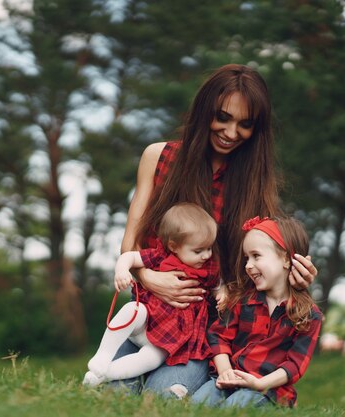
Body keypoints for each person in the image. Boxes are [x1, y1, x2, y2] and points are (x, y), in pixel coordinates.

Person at [114, 64, 319, 398]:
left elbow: (260, 269)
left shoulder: (256, 188)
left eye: (245, 124)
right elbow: (130, 242)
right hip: (147, 317)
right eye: (222, 117)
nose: (231, 131)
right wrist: (148, 277)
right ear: (204, 111)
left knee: (160, 398)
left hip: (201, 331)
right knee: (109, 397)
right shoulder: (157, 157)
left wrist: (295, 276)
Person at [191, 216, 323, 409]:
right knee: (197, 405)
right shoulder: (241, 300)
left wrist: (260, 383)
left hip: (268, 390)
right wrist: (225, 371)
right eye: (247, 258)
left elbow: (295, 365)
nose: (248, 265)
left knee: (234, 408)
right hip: (230, 378)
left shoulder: (308, 315)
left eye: (256, 256)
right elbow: (217, 336)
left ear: (286, 259)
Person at [83, 203, 221, 386]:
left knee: (150, 359)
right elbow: (129, 257)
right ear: (174, 246)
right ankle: (103, 355)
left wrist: (223, 292)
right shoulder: (160, 256)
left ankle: (103, 375)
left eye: (209, 248)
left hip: (170, 338)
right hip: (146, 321)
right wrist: (122, 271)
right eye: (198, 251)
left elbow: (219, 284)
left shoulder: (208, 267)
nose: (206, 255)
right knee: (134, 309)